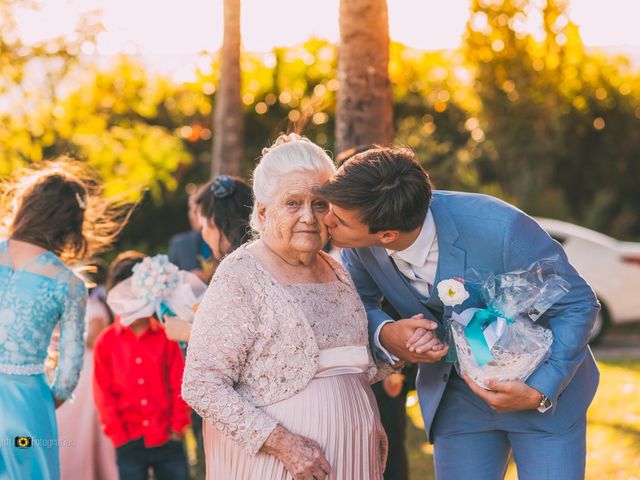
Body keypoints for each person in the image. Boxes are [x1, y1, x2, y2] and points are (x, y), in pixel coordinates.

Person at [317, 147, 600, 480]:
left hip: (543, 395)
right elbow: (355, 302)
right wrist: (387, 332)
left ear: (387, 235)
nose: (326, 220)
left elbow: (577, 303)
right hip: (455, 398)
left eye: (341, 220)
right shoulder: (360, 248)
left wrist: (540, 389)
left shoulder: (503, 227)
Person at [182, 134, 396, 480]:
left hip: (352, 463)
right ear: (264, 212)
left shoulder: (336, 269)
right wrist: (283, 444)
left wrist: (398, 348)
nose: (309, 217)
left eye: (320, 203)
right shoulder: (241, 274)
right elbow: (201, 384)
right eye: (293, 203)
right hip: (275, 466)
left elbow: (348, 367)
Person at [0, 157, 128, 480]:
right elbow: (69, 375)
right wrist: (42, 404)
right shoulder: (68, 284)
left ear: (26, 206)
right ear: (69, 226)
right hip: (27, 410)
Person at [93, 252, 192, 480]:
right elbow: (103, 394)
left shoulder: (167, 335)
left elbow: (179, 383)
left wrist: (177, 428)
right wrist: (119, 435)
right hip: (129, 440)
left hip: (168, 438)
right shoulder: (106, 343)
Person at [163, 175, 253, 344]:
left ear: (213, 222)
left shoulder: (235, 269)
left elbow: (239, 341)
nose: (203, 234)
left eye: (203, 226)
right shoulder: (261, 258)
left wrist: (187, 332)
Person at [168, 187, 214, 283]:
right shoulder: (178, 243)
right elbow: (170, 281)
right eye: (190, 208)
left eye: (196, 209)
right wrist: (186, 278)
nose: (193, 214)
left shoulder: (226, 241)